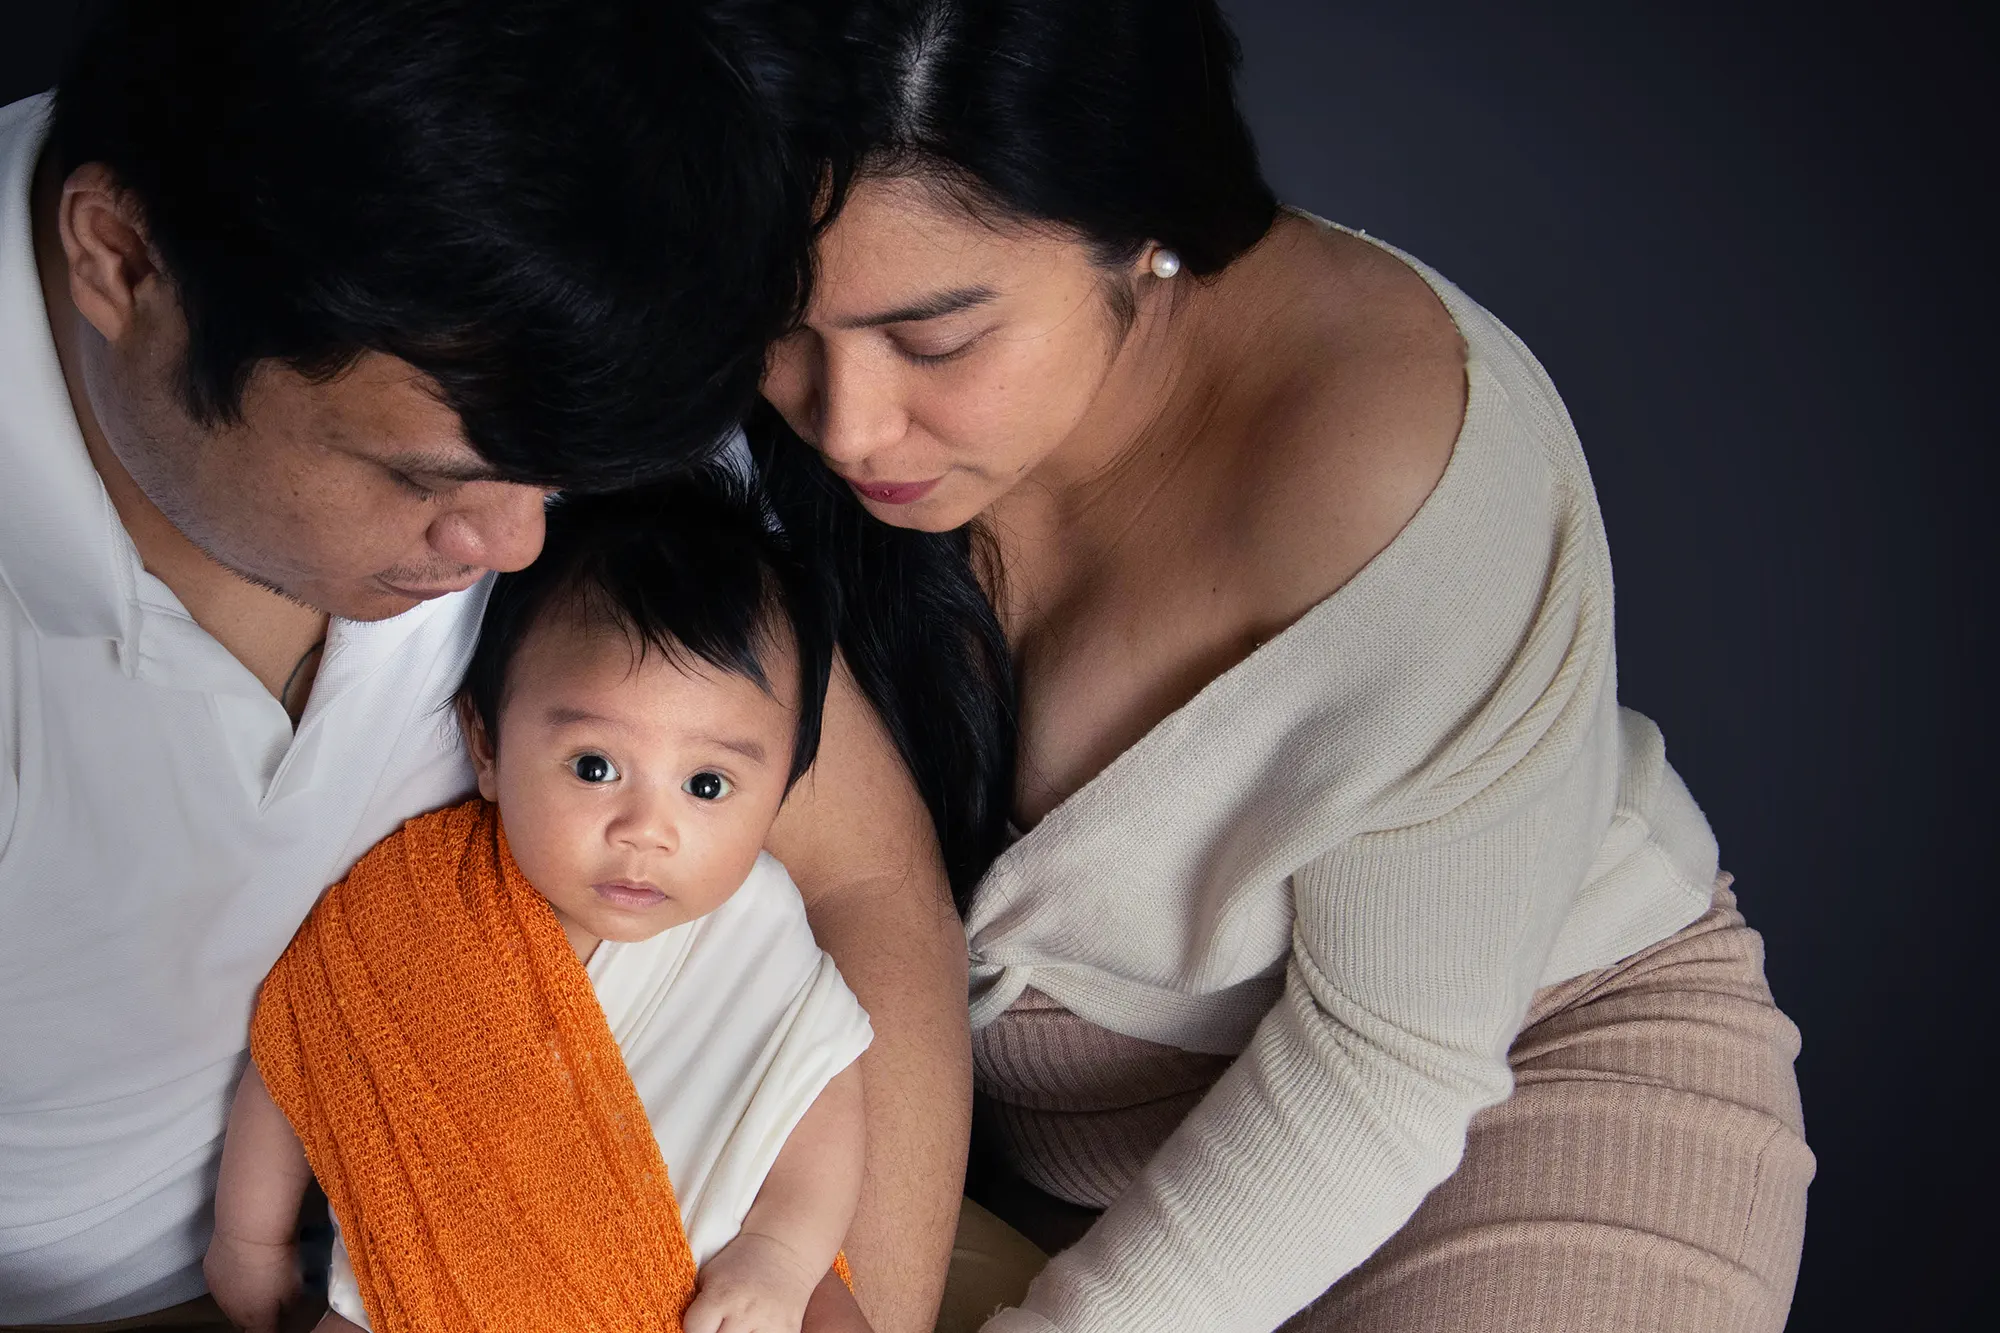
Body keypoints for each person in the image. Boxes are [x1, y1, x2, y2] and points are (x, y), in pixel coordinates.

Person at [753, 1, 1815, 1330]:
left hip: (1507, 1085)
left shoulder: (1395, 464)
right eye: (783, 327)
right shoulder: (734, 383)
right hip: (1055, 1162)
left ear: (1143, 227)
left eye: (938, 340)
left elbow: (1385, 1073)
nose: (845, 421)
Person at [0, 5, 969, 1329]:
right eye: (427, 479)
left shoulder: (560, 336)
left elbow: (859, 872)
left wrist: (830, 1296)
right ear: (123, 258)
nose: (517, 543)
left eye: (563, 481)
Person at [207, 479, 874, 1333]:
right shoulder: (414, 910)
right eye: (594, 765)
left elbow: (818, 1082)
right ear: (487, 744)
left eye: (708, 784)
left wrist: (781, 1254)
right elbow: (304, 1050)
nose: (645, 829)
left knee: (829, 1313)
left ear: (781, 789)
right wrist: (249, 1239)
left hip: (712, 1276)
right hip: (434, 1288)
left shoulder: (757, 923)